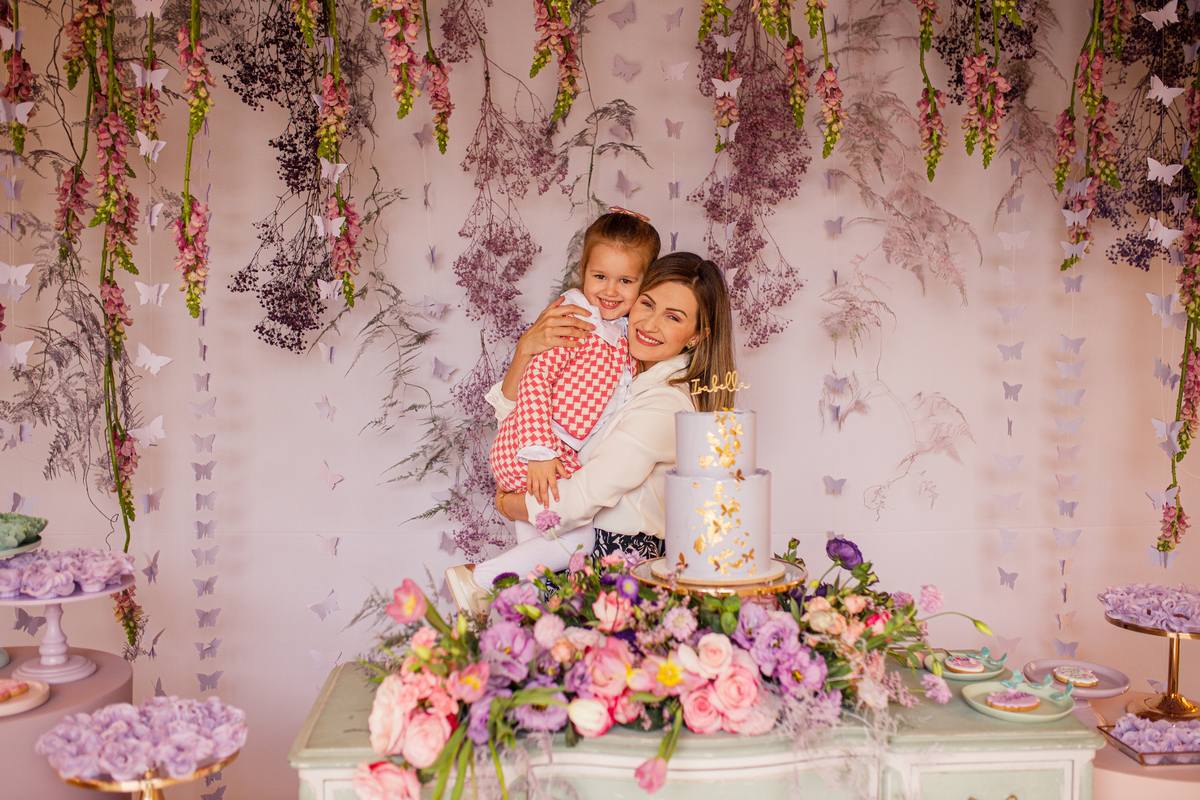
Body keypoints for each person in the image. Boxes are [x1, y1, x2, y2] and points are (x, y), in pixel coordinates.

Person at [446, 252, 736, 613]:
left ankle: (479, 580)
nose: (650, 323)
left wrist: (507, 503)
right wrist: (525, 353)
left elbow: (581, 498)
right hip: (579, 552)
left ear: (697, 336)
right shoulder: (618, 371)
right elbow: (524, 418)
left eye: (673, 317)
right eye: (647, 304)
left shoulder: (665, 404)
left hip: (617, 562)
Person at [445, 210, 660, 610]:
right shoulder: (575, 319)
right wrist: (540, 452)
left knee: (541, 558)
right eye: (600, 276)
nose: (610, 290)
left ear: (645, 283)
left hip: (554, 452)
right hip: (536, 447)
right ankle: (478, 579)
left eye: (626, 281)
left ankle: (521, 609)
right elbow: (536, 379)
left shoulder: (621, 331)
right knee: (579, 538)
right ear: (583, 271)